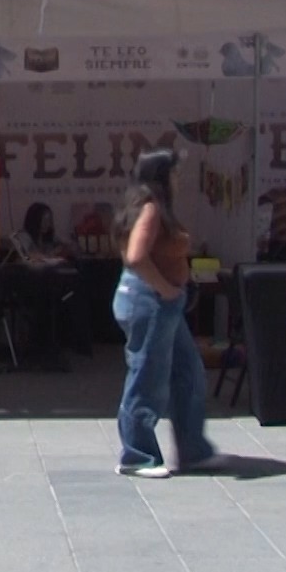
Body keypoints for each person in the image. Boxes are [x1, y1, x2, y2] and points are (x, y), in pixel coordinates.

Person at [111, 150, 221, 478]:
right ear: (161, 176)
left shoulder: (146, 208)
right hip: (151, 302)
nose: (178, 179)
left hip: (159, 303)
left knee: (188, 371)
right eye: (174, 173)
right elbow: (135, 257)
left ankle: (192, 449)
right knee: (149, 377)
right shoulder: (150, 209)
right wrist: (165, 289)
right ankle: (137, 454)